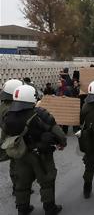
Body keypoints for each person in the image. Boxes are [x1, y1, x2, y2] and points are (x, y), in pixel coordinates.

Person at [2, 85, 67, 215]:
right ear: (32, 98)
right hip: (41, 154)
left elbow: (5, 135)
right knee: (47, 180)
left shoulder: (9, 116)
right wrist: (62, 142)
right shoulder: (40, 113)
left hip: (21, 154)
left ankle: (23, 209)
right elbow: (58, 132)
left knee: (22, 182)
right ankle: (49, 208)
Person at [0, 79, 23, 195]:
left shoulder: (3, 105)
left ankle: (17, 186)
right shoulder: (11, 108)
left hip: (7, 138)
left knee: (14, 164)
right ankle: (18, 188)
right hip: (14, 139)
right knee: (17, 164)